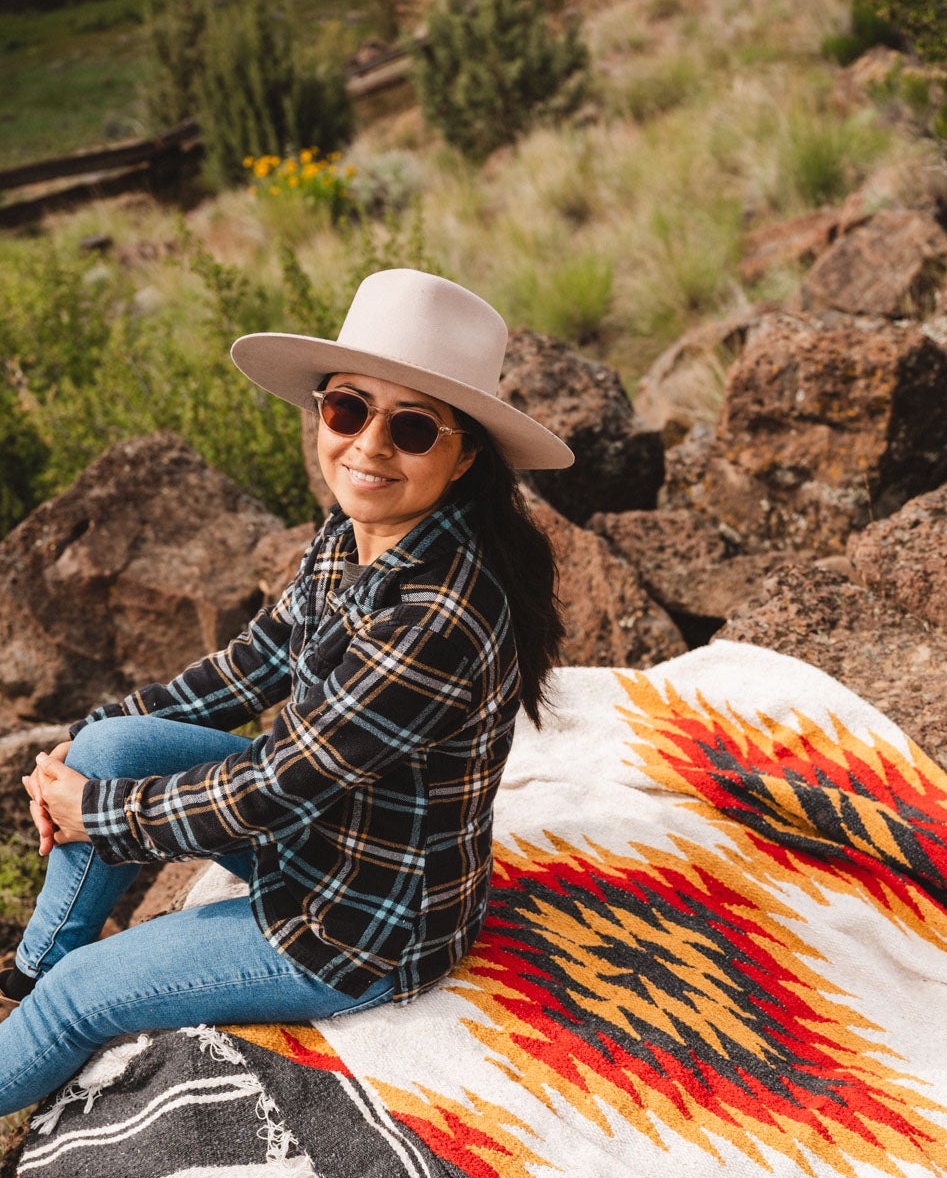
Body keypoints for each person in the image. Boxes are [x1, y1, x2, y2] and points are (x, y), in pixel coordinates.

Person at [0, 268, 572, 1120]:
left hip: (358, 926)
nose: (370, 446)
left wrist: (103, 815)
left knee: (84, 995)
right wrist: (74, 757)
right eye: (347, 409)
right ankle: (29, 969)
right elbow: (250, 666)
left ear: (463, 457)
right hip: (319, 844)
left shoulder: (437, 615)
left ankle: (50, 994)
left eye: (413, 427)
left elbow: (280, 785)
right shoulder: (353, 534)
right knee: (109, 751)